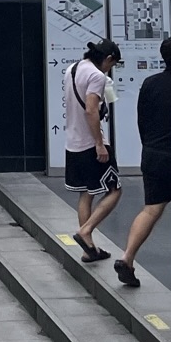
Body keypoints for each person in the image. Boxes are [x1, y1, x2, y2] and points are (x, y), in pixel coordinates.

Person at [113, 34, 171, 290]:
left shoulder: (149, 83)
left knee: (151, 208)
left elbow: (142, 119)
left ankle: (127, 256)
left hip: (151, 154)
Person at [63, 38, 123, 261]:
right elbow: (91, 110)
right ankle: (86, 231)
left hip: (73, 142)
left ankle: (88, 247)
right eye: (113, 64)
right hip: (90, 143)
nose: (111, 69)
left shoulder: (72, 69)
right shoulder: (97, 76)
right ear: (108, 59)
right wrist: (99, 143)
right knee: (115, 189)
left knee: (86, 193)